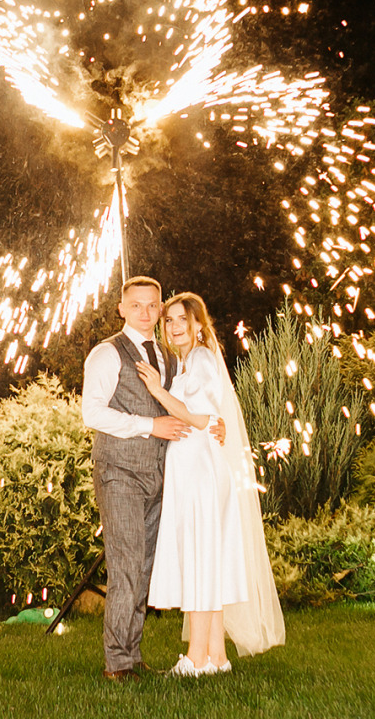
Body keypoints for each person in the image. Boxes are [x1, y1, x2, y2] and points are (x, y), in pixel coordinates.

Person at [134, 292, 285, 675]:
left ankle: (196, 657)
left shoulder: (200, 359)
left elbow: (202, 419)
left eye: (182, 319)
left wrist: (157, 392)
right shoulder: (186, 363)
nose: (174, 326)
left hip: (200, 468)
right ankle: (217, 657)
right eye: (168, 320)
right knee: (205, 561)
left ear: (199, 324)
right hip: (193, 466)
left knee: (200, 559)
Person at [81, 275, 191, 683]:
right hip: (120, 472)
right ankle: (117, 662)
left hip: (160, 476)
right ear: (121, 309)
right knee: (126, 563)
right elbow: (92, 413)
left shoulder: (169, 356)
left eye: (152, 306)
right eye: (137, 305)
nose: (145, 313)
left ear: (160, 309)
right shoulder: (106, 354)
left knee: (144, 566)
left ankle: (132, 651)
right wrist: (150, 425)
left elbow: (182, 408)